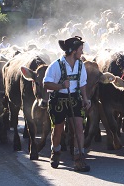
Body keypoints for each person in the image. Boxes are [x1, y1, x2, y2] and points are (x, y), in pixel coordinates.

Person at [43, 36, 91, 172]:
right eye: (81, 50)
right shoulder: (56, 65)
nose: (82, 53)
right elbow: (46, 83)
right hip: (58, 100)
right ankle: (56, 151)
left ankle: (79, 158)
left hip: (74, 99)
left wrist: (85, 98)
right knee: (58, 129)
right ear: (73, 51)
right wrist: (61, 86)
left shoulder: (80, 65)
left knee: (78, 128)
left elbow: (82, 84)